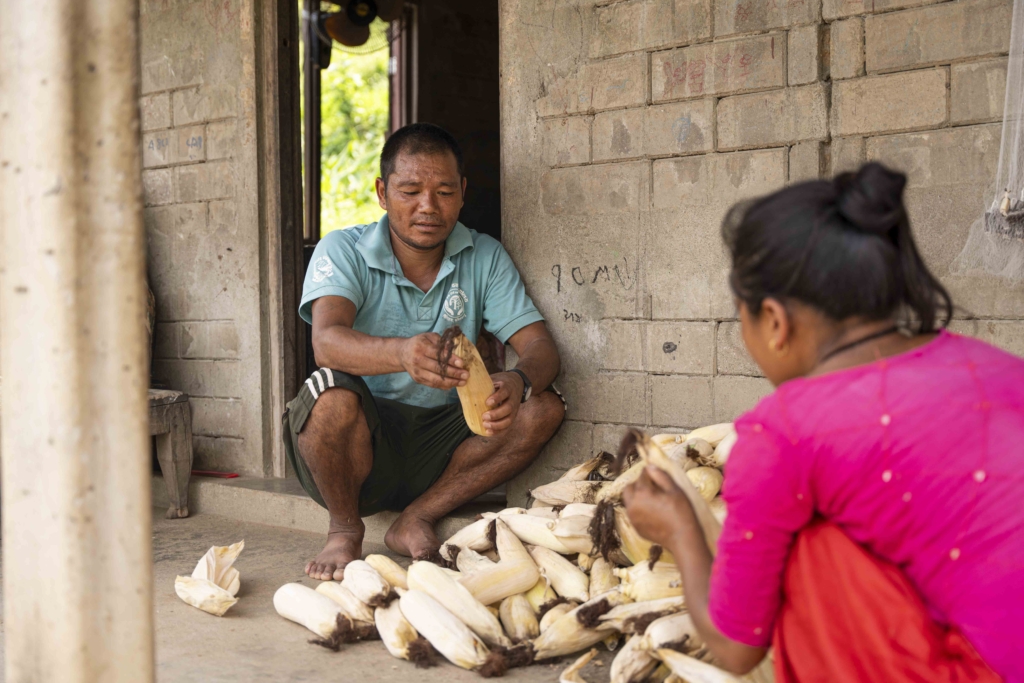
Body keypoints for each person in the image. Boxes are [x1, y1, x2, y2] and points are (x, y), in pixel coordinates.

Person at [622, 163, 1022, 682]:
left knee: (810, 547)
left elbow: (737, 649)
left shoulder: (784, 431)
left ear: (773, 320)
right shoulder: (997, 367)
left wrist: (680, 531)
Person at [284, 123, 564, 581]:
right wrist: (401, 354)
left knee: (545, 406)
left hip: (443, 442)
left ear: (463, 193)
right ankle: (343, 528)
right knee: (329, 395)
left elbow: (539, 347)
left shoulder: (484, 256)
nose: (427, 207)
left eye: (444, 192)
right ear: (382, 192)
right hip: (361, 444)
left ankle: (417, 516)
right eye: (410, 190)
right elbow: (326, 341)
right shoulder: (344, 249)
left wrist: (516, 380)